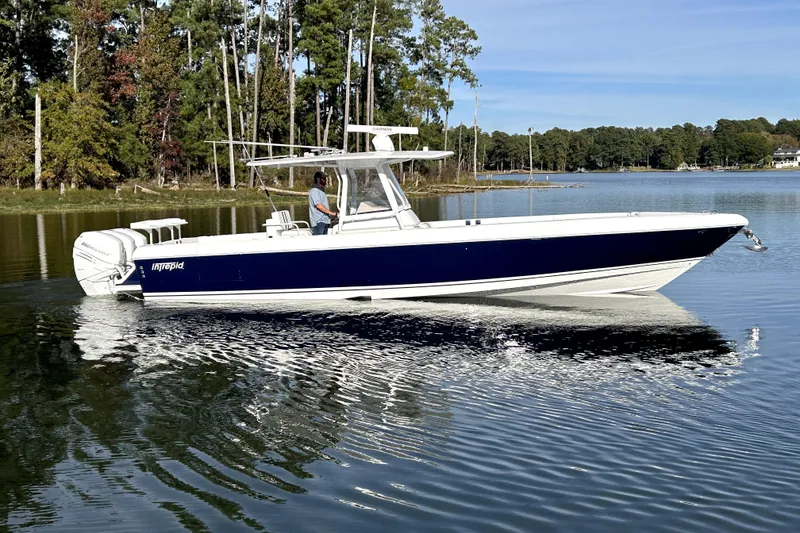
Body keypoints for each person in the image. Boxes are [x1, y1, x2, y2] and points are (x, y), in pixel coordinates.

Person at [308, 171, 338, 235]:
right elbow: (319, 206)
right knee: (319, 242)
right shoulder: (314, 191)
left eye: (325, 179)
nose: (325, 180)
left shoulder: (321, 191)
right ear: (318, 179)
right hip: (319, 222)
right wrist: (331, 213)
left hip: (325, 221)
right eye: (323, 179)